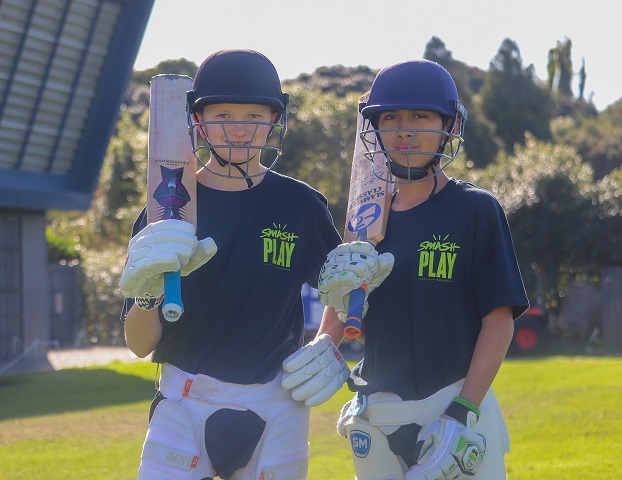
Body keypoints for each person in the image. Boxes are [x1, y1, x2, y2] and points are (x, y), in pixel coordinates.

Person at [119, 49, 350, 480]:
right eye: (223, 114)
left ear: (273, 120)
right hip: (185, 399)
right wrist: (149, 293)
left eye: (254, 114)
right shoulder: (166, 209)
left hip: (276, 402)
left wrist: (327, 341)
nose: (240, 128)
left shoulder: (299, 204)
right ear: (199, 121)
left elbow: (344, 288)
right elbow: (138, 344)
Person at [316, 59, 529, 480]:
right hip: (379, 410)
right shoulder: (365, 218)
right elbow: (346, 296)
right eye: (390, 117)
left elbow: (498, 321)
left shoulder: (475, 210)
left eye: (421, 116)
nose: (405, 129)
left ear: (449, 125)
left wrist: (461, 410)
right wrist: (323, 344)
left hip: (453, 403)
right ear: (374, 128)